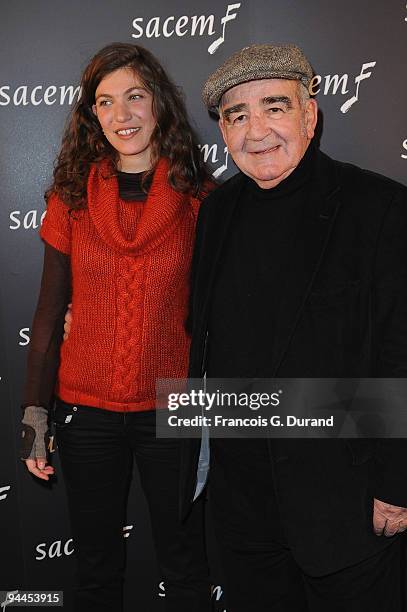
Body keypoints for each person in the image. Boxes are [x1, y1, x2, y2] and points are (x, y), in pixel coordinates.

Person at [180, 44, 407, 611]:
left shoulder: (379, 207)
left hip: (346, 508)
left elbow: (401, 353)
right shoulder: (216, 211)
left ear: (311, 115)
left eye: (274, 106)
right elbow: (205, 337)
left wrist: (397, 485)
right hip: (243, 510)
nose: (256, 130)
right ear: (225, 132)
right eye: (237, 115)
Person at [20, 42, 212, 612]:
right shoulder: (71, 198)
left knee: (184, 565)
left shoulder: (202, 200)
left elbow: (219, 315)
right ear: (92, 116)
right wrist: (34, 412)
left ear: (159, 105)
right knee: (96, 569)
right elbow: (50, 312)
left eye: (134, 96)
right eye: (106, 102)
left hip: (172, 411)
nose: (122, 115)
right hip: (86, 414)